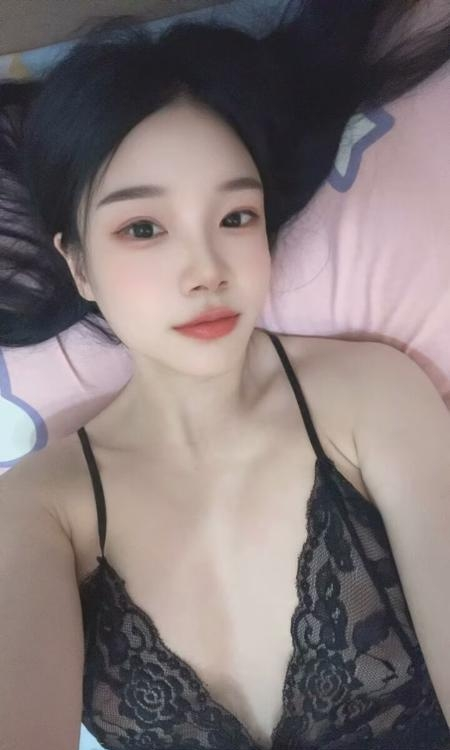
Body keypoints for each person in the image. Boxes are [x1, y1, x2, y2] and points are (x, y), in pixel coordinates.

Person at [0, 3, 449, 749]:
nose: (206, 270)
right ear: (78, 264)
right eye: (143, 228)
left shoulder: (371, 397)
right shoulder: (39, 509)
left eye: (236, 217)